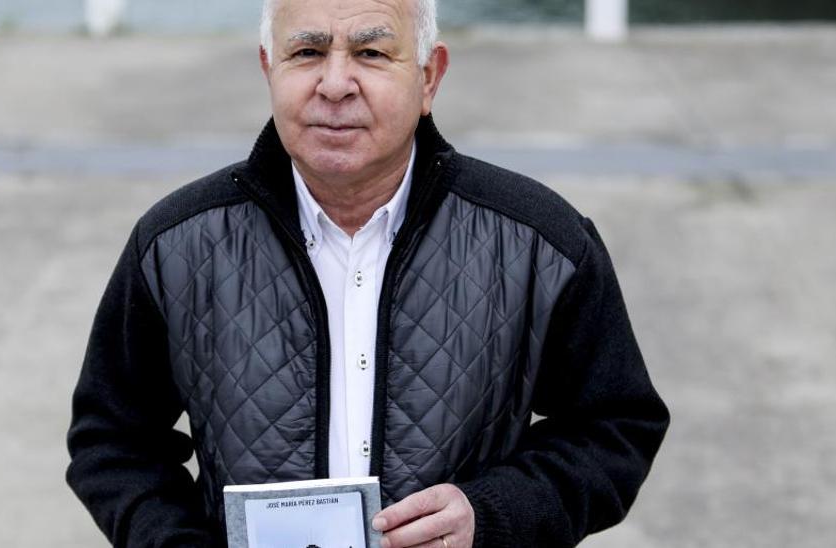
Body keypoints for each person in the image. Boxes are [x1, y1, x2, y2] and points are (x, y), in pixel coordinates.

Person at [65, 0, 669, 546]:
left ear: (429, 76)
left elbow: (616, 428)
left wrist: (493, 515)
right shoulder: (175, 243)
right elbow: (112, 442)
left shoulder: (541, 239)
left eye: (371, 52)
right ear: (267, 68)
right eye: (306, 52)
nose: (334, 84)